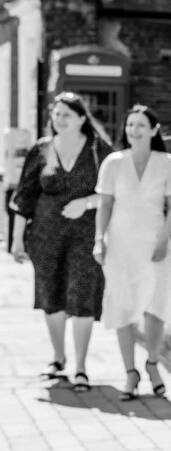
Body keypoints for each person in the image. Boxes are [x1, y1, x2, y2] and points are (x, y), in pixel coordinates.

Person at [10, 91, 112, 392]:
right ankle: (58, 358)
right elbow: (24, 196)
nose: (59, 119)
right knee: (50, 294)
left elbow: (113, 192)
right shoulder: (41, 149)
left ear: (82, 118)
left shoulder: (98, 149)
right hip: (44, 236)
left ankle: (81, 367)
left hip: (85, 235)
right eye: (56, 114)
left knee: (82, 295)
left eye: (66, 114)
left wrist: (87, 203)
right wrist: (17, 239)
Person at [93, 104, 171, 400]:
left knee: (155, 305)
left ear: (153, 130)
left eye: (140, 125)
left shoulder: (167, 162)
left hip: (155, 244)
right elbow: (105, 205)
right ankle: (129, 373)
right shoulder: (112, 162)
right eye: (130, 124)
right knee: (122, 306)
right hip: (120, 245)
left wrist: (164, 240)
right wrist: (99, 238)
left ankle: (151, 364)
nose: (133, 130)